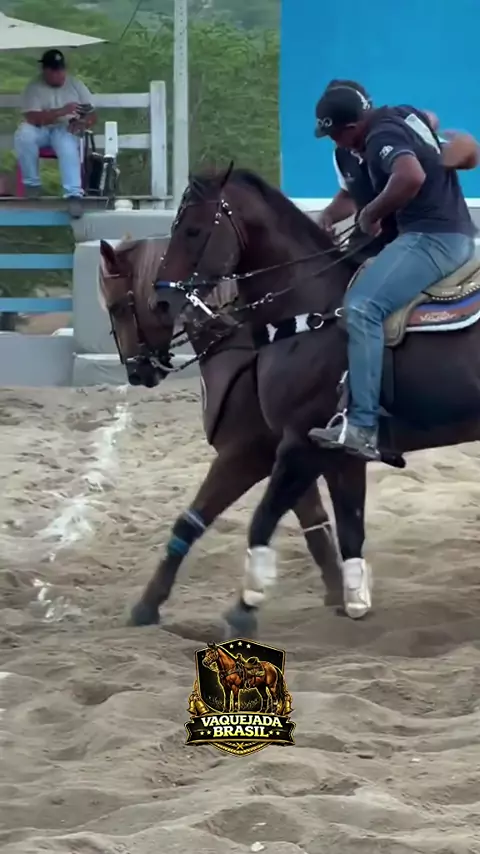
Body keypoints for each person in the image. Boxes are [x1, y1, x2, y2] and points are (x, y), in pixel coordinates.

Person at [308, 85, 478, 461]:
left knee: (362, 307)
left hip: (432, 238)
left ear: (352, 126)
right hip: (451, 232)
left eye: (336, 135)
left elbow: (410, 176)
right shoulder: (401, 115)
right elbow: (431, 131)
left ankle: (363, 426)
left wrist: (371, 213)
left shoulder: (380, 136)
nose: (337, 143)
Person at [316, 79, 444, 261]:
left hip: (406, 238)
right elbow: (350, 194)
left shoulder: (392, 137)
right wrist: (328, 216)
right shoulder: (342, 152)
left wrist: (371, 214)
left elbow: (414, 174)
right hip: (365, 243)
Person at [14, 50, 96, 212]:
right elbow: (32, 117)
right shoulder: (34, 86)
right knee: (23, 135)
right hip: (41, 129)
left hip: (66, 127)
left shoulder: (75, 85)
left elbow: (92, 114)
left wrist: (83, 123)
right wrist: (61, 111)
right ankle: (32, 185)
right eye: (53, 70)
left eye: (60, 70)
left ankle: (73, 194)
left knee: (67, 145)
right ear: (45, 70)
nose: (58, 74)